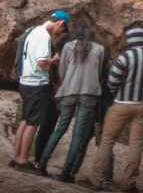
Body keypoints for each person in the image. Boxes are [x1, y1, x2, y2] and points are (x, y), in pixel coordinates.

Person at [92, 23, 143, 193]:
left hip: (121, 103)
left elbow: (112, 81)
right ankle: (129, 183)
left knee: (107, 140)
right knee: (136, 143)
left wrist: (117, 93)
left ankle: (98, 178)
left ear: (131, 40)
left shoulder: (125, 57)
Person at [35, 23, 107, 182]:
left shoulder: (68, 47)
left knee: (60, 128)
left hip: (69, 90)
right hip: (89, 93)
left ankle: (42, 164)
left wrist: (67, 81)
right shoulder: (99, 49)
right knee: (78, 135)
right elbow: (99, 71)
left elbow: (62, 70)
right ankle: (66, 173)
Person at [9, 10, 68, 170]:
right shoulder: (44, 36)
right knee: (33, 124)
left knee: (25, 120)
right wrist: (54, 60)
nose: (59, 34)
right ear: (60, 23)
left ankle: (15, 157)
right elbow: (41, 62)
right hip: (36, 84)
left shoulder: (33, 30)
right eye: (61, 30)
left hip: (24, 81)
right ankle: (22, 160)